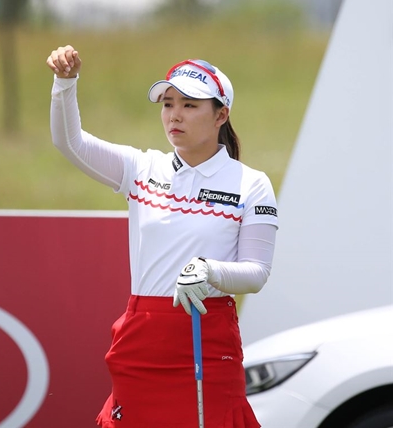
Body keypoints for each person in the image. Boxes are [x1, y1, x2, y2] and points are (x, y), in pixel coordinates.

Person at [46, 46, 278, 428]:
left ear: (221, 114)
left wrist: (210, 272)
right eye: (168, 104)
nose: (174, 115)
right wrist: (64, 83)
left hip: (207, 338)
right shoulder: (142, 167)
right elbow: (70, 143)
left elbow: (257, 271)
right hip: (141, 340)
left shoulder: (250, 183)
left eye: (189, 105)